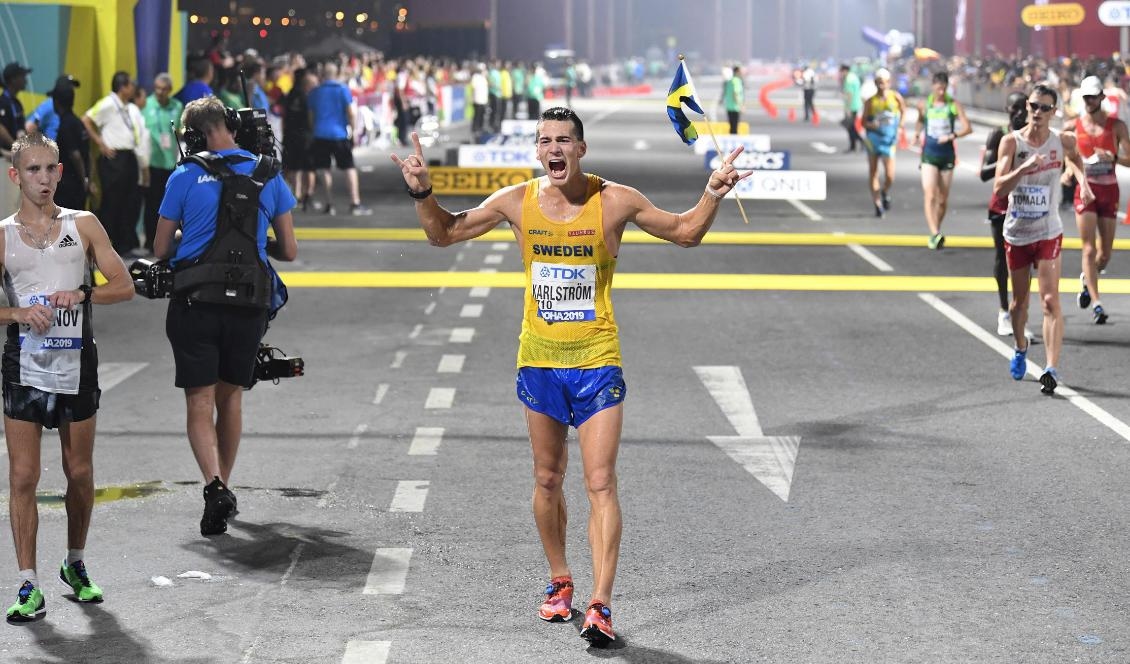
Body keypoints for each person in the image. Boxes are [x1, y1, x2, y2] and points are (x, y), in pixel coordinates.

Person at [390, 107, 751, 647]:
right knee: (546, 480)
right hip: (538, 361)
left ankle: (601, 605)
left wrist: (713, 192)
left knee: (600, 481)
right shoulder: (518, 201)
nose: (554, 148)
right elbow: (444, 235)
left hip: (597, 361)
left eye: (563, 140)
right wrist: (422, 193)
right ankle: (561, 581)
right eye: (545, 141)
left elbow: (684, 233)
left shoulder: (615, 199)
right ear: (537, 151)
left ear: (580, 149)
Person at [1, 132, 133, 622]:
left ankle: (74, 563)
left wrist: (84, 295)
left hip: (77, 363)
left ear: (61, 173)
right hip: (24, 367)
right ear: (16, 175)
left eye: (50, 169)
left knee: (78, 473)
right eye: (32, 170)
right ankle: (26, 583)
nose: (43, 179)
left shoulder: (85, 224)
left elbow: (125, 285)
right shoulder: (4, 234)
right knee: (23, 476)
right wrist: (16, 314)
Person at [154, 96, 298, 536]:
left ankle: (214, 485)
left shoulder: (184, 175)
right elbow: (289, 250)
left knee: (199, 399)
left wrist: (189, 234)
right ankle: (226, 486)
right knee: (230, 397)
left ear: (194, 136)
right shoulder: (268, 175)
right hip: (249, 304)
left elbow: (160, 249)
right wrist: (256, 243)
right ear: (232, 125)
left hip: (196, 302)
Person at [993, 84, 1092, 396]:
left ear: (1054, 111)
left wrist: (1082, 182)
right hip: (1017, 232)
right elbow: (998, 188)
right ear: (1027, 105)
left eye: (1044, 108)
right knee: (1019, 303)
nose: (1037, 112)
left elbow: (1075, 160)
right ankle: (1021, 346)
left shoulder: (1062, 140)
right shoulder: (1011, 142)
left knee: (1050, 300)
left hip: (1048, 230)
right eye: (1034, 106)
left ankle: (1051, 367)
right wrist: (1023, 169)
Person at [1067, 75, 1130, 325]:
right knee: (1088, 248)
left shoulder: (1117, 126)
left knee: (1104, 255)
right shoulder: (1074, 126)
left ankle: (1087, 279)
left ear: (1102, 97)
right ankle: (1097, 303)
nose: (1089, 101)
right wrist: (1070, 173)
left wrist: (1113, 158)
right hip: (1086, 190)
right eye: (1085, 97)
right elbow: (1069, 156)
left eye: (1093, 97)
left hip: (1109, 190)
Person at [980, 91, 1030, 336]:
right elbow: (984, 173)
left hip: (1027, 205)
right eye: (1015, 108)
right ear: (1007, 109)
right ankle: (1003, 312)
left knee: (1025, 264)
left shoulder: (1034, 135)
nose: (1020, 113)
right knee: (1002, 258)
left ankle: (1020, 316)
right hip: (1001, 205)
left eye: (1024, 108)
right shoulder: (999, 134)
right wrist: (1010, 164)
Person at [81, 71, 144, 255]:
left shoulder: (128, 106)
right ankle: (106, 244)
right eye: (131, 84)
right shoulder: (108, 103)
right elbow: (86, 119)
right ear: (123, 87)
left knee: (128, 201)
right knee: (112, 201)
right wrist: (101, 143)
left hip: (129, 157)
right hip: (114, 159)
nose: (133, 88)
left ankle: (123, 244)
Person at [914, 71, 972, 250]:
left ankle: (936, 228)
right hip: (929, 154)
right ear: (933, 86)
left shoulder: (953, 105)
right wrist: (916, 133)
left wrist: (951, 136)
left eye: (943, 88)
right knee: (930, 194)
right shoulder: (925, 104)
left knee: (942, 198)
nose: (940, 92)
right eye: (938, 88)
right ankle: (934, 233)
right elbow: (920, 120)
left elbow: (968, 128)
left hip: (946, 154)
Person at [307, 62, 370, 216]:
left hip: (320, 134)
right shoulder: (342, 89)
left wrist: (314, 129)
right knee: (349, 168)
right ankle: (355, 203)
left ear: (322, 75)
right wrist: (353, 132)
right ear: (336, 74)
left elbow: (311, 116)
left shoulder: (315, 92)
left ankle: (329, 204)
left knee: (325, 169)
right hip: (339, 134)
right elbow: (351, 113)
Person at [141, 73, 183, 254]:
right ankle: (149, 240)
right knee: (151, 204)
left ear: (170, 90)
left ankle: (165, 241)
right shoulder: (146, 104)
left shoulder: (177, 106)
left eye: (164, 89)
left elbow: (179, 131)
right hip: (151, 163)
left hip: (170, 163)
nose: (160, 92)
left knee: (167, 206)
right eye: (157, 88)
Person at [861, 68, 905, 218]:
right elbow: (863, 121)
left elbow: (903, 111)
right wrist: (870, 125)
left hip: (889, 139)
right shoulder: (870, 101)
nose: (881, 86)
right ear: (875, 83)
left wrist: (900, 126)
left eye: (884, 83)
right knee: (873, 172)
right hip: (873, 139)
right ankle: (877, 204)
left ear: (889, 82)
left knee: (890, 175)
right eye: (878, 83)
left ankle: (885, 191)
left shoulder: (896, 97)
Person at [50, 80, 92, 211]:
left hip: (69, 186)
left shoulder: (66, 125)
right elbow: (88, 155)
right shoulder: (78, 123)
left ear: (57, 102)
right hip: (78, 186)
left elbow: (75, 155)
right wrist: (87, 178)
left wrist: (83, 179)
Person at [281, 68, 318, 211]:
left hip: (291, 134)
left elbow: (285, 114)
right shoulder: (309, 97)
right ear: (307, 83)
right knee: (309, 167)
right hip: (306, 135)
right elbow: (310, 117)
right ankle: (307, 195)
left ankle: (296, 195)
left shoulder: (290, 94)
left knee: (293, 166)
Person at [25, 75, 80, 141]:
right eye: (69, 87)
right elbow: (29, 127)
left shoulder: (66, 107)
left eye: (72, 87)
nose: (72, 90)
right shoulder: (50, 105)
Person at [0, 62, 31, 152]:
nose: (25, 81)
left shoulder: (17, 104)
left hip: (15, 156)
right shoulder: (2, 102)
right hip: (4, 157)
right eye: (22, 77)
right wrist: (15, 146)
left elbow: (20, 129)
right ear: (13, 79)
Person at [840, 63, 862, 152]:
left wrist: (848, 108)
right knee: (851, 126)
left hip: (851, 106)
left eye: (841, 72)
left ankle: (858, 144)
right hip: (856, 104)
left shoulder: (848, 79)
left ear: (845, 71)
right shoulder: (854, 77)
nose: (841, 74)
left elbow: (849, 94)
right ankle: (855, 145)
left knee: (850, 127)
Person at [722, 64, 744, 135]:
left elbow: (725, 92)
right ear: (737, 71)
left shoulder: (729, 81)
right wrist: (740, 106)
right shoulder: (737, 81)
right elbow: (736, 94)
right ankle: (734, 143)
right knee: (735, 128)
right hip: (735, 107)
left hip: (729, 106)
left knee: (732, 127)